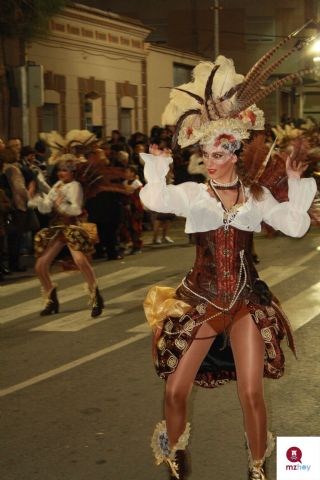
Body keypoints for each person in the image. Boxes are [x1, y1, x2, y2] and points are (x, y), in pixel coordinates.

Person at [139, 31, 317, 480]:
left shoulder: (255, 196)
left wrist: (296, 183)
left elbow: (296, 226)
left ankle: (258, 470)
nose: (209, 159)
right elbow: (154, 199)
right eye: (205, 152)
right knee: (176, 391)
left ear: (235, 152)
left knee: (252, 393)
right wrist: (157, 165)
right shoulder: (193, 195)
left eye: (218, 152)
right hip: (199, 300)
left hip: (244, 304)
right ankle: (176, 460)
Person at [28, 131, 105, 318]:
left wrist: (60, 204)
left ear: (72, 172)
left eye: (66, 170)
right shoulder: (57, 186)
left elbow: (77, 209)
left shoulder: (75, 186)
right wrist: (36, 199)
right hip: (58, 228)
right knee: (40, 265)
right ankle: (51, 298)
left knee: (80, 261)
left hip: (72, 227)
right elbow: (46, 208)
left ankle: (96, 296)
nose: (62, 173)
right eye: (60, 170)